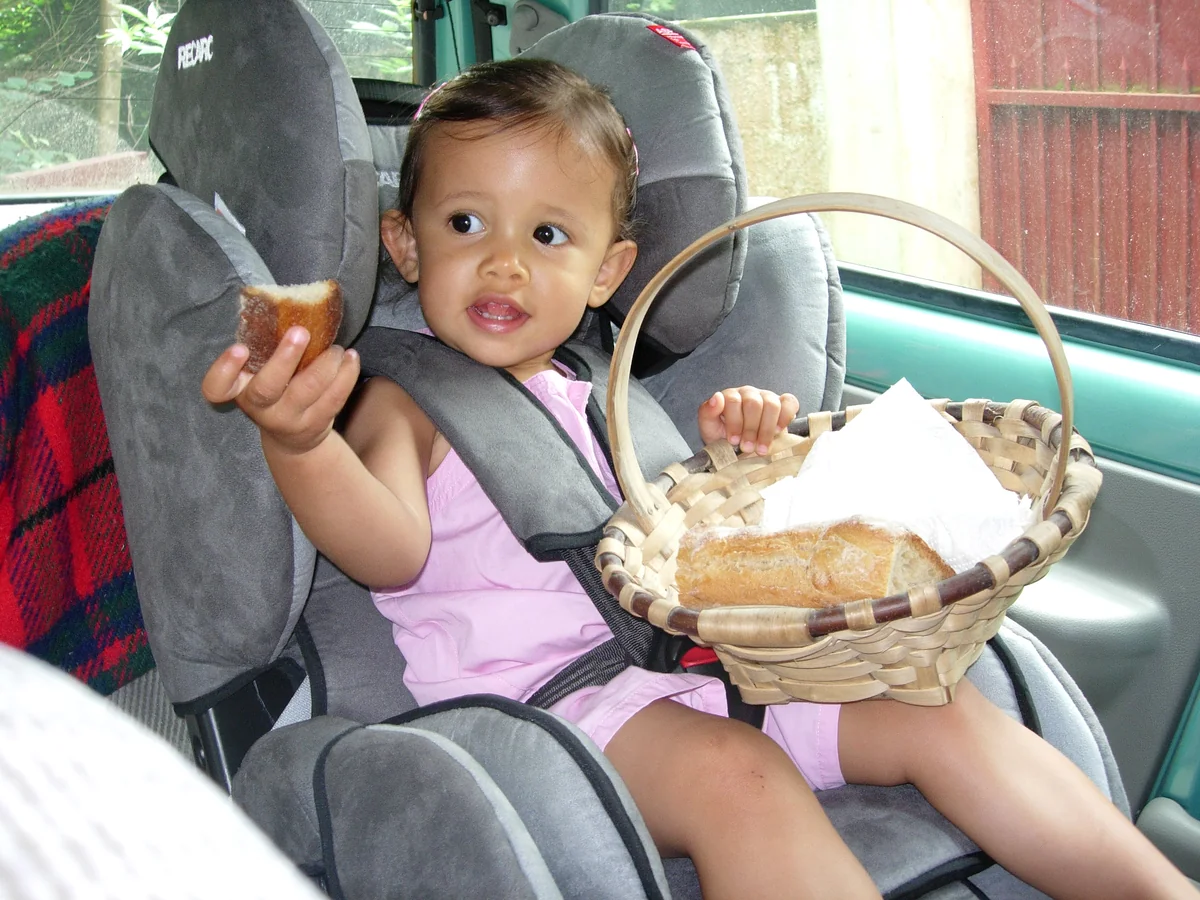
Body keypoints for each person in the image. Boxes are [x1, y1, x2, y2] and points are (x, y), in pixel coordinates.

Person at [202, 58, 1195, 900]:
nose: (503, 263)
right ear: (406, 245)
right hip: (548, 709)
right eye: (467, 223)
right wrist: (302, 444)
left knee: (932, 711)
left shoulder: (600, 388)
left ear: (606, 272)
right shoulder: (409, 404)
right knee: (737, 777)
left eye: (546, 236)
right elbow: (387, 549)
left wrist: (737, 453)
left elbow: (682, 539)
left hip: (695, 666)